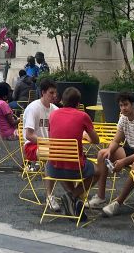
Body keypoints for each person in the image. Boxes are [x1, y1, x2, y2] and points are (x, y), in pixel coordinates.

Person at [89, 92, 134, 216]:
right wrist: (109, 151)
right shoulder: (123, 117)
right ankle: (100, 197)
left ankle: (118, 203)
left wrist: (123, 161)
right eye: (121, 105)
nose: (123, 108)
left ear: (132, 105)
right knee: (102, 153)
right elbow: (117, 140)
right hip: (133, 149)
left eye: (126, 105)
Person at [48, 86, 100, 219]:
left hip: (53, 168)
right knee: (97, 171)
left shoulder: (53, 114)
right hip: (74, 167)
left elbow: (53, 136)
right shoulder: (83, 116)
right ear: (78, 104)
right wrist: (85, 135)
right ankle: (73, 196)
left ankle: (74, 202)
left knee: (62, 163)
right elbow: (96, 140)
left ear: (62, 101)